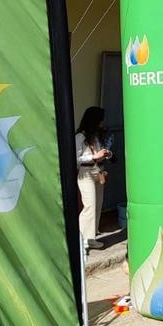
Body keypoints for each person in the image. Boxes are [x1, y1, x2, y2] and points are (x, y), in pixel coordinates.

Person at [74, 106, 111, 249]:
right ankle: (82, 239)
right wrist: (93, 156)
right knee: (89, 206)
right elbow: (75, 158)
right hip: (86, 172)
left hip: (98, 171)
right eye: (100, 120)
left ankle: (91, 237)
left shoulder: (96, 135)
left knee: (97, 205)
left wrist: (106, 154)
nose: (102, 123)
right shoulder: (80, 137)